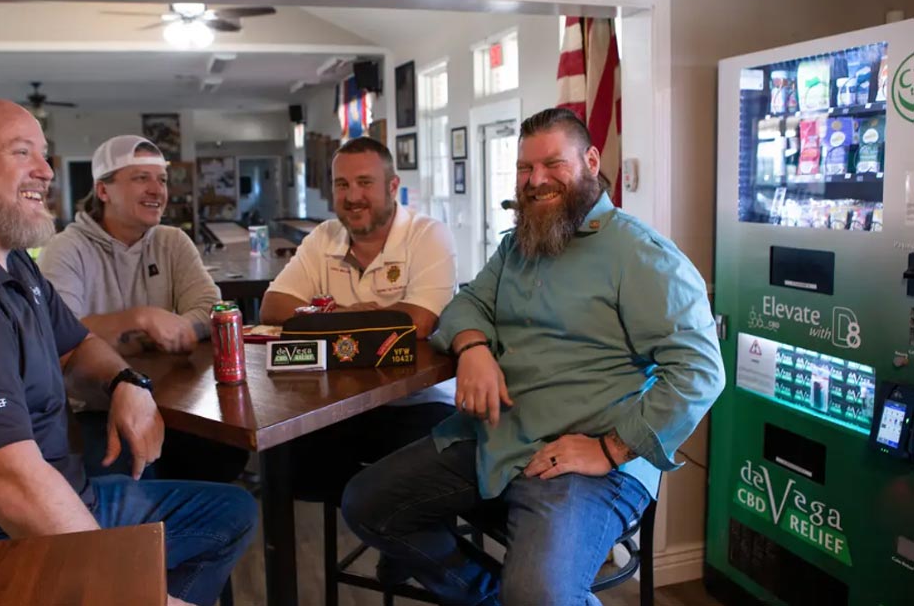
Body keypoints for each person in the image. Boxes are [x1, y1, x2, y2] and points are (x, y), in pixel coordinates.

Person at [0, 100, 256, 606]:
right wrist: (123, 587)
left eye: (44, 154)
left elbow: (75, 345)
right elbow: (3, 482)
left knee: (231, 512)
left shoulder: (9, 261)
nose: (46, 170)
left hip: (61, 491)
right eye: (22, 152)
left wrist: (125, 382)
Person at [341, 108, 725, 605]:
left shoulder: (641, 254)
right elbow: (466, 303)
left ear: (590, 160)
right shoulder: (520, 245)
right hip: (500, 440)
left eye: (552, 164)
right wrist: (473, 347)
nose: (535, 180)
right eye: (524, 168)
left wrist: (609, 449)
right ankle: (488, 598)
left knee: (539, 594)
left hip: (587, 461)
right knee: (367, 504)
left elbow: (700, 372)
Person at [259, 136, 458, 502]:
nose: (353, 197)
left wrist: (319, 319)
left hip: (418, 402)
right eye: (342, 185)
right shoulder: (324, 237)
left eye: (365, 183)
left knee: (403, 490)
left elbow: (417, 325)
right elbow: (273, 305)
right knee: (279, 462)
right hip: (335, 404)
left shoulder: (428, 234)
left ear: (393, 186)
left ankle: (423, 554)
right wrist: (349, 314)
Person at [38, 134, 247, 482]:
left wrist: (131, 337)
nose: (157, 190)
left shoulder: (172, 241)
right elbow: (57, 335)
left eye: (161, 180)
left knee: (225, 455)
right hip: (94, 409)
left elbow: (209, 309)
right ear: (103, 191)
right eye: (140, 178)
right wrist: (142, 319)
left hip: (175, 402)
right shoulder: (65, 249)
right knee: (130, 475)